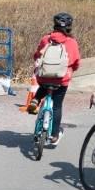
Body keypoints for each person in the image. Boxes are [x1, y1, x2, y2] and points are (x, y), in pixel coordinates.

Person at [27, 12, 82, 147]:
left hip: (44, 77)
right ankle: (54, 135)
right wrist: (72, 69)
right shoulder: (72, 42)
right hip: (61, 79)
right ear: (69, 27)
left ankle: (36, 99)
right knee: (57, 106)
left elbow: (36, 55)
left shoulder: (46, 39)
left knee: (44, 85)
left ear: (54, 25)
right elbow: (76, 62)